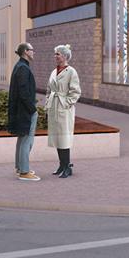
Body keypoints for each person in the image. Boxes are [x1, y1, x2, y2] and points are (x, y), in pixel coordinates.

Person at [46, 45, 82, 178]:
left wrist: (66, 103)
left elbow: (76, 92)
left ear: (65, 56)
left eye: (58, 54)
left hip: (63, 108)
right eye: (55, 54)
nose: (55, 56)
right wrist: (47, 105)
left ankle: (67, 167)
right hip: (53, 107)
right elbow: (48, 90)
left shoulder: (71, 72)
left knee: (64, 138)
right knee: (57, 137)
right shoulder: (53, 71)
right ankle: (61, 164)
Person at [8, 42, 39, 180]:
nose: (34, 52)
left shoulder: (19, 66)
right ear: (26, 51)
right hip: (25, 111)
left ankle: (20, 168)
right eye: (32, 50)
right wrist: (32, 109)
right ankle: (24, 172)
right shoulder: (23, 69)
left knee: (22, 140)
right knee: (27, 141)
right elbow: (23, 92)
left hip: (21, 110)